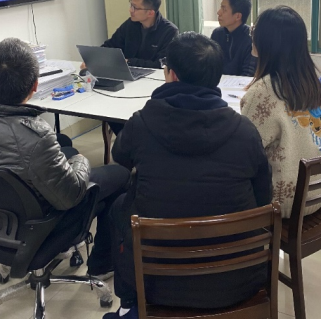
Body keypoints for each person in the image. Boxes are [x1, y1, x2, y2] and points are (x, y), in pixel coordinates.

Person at [104, 32, 272, 319]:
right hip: (239, 278)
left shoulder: (142, 124)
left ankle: (129, 302)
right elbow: (263, 198)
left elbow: (120, 156)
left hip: (155, 284)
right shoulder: (245, 131)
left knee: (120, 206)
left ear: (171, 75)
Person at [0, 38, 130, 278]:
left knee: (65, 151)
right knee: (120, 174)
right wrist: (81, 160)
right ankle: (102, 264)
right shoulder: (35, 138)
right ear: (35, 86)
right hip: (37, 225)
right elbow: (70, 196)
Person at [241, 6, 321, 218]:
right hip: (319, 191)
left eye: (255, 32)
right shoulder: (308, 80)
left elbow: (245, 150)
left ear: (266, 42)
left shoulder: (262, 91)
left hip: (286, 204)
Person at [101, 0, 178, 69]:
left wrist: (129, 62)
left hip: (153, 75)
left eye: (135, 7)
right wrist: (98, 56)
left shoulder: (169, 31)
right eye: (131, 5)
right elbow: (110, 46)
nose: (130, 10)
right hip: (128, 72)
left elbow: (161, 64)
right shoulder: (130, 24)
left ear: (150, 13)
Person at [210, 0, 257, 76]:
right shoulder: (217, 34)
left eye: (224, 9)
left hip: (241, 83)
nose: (218, 12)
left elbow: (249, 73)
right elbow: (210, 65)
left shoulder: (251, 38)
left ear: (238, 16)